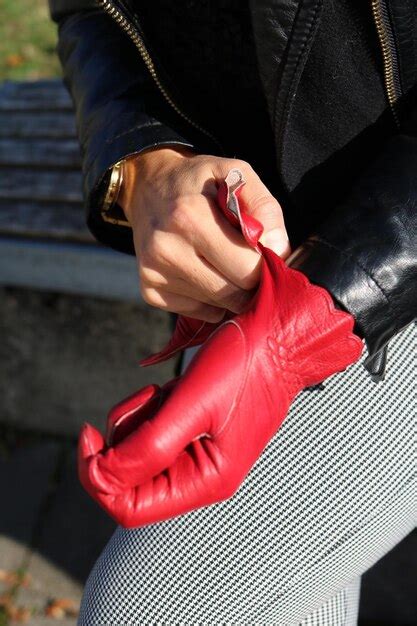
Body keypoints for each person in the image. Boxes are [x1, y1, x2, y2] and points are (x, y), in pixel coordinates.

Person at [48, 1, 416, 624]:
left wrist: (302, 330)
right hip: (242, 252)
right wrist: (146, 165)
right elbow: (87, 9)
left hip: (384, 266)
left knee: (152, 604)